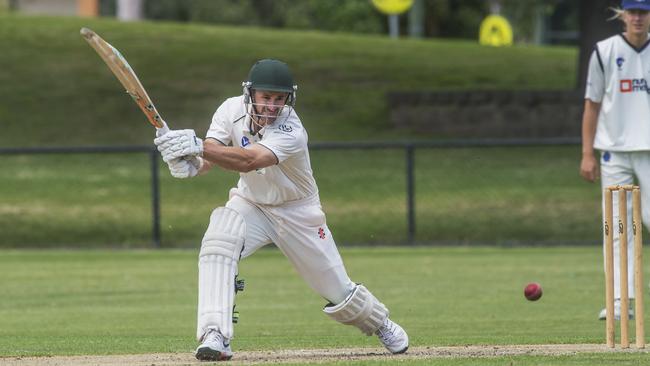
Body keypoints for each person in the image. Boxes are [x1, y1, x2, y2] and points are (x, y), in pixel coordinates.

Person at [153, 59, 409, 361]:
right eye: (266, 97)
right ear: (251, 94)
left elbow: (249, 160)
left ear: (289, 98)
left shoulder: (292, 130)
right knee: (218, 241)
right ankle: (215, 334)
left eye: (279, 98)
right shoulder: (229, 110)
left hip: (298, 211)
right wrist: (192, 163)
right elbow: (213, 155)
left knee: (337, 290)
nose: (273, 105)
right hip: (252, 203)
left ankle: (379, 322)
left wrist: (195, 146)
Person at [580, 0, 650, 320]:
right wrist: (587, 153)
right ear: (623, 15)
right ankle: (620, 300)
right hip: (614, 152)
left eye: (644, 12)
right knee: (619, 228)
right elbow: (592, 105)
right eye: (633, 12)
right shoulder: (604, 51)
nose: (638, 18)